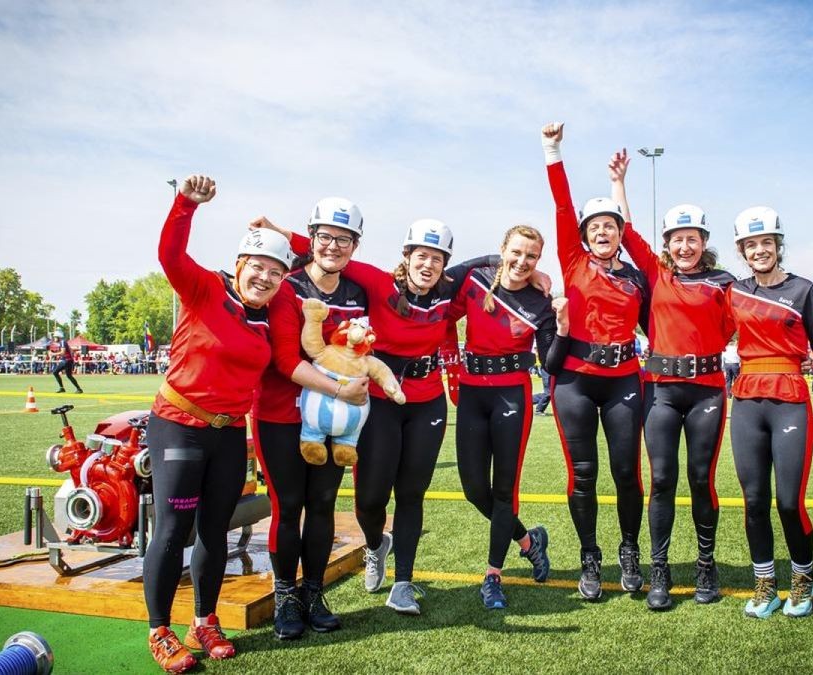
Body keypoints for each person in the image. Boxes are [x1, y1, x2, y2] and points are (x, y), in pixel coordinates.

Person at [273, 216, 488, 615]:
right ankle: (376, 545)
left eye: (437, 259)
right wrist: (280, 231)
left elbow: (484, 267)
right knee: (370, 498)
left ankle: (403, 583)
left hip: (426, 401)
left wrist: (534, 273)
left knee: (411, 493)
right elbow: (329, 250)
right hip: (377, 398)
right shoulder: (376, 281)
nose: (429, 265)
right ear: (405, 256)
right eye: (421, 255)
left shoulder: (449, 292)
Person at [143, 175, 303, 672]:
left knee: (215, 528)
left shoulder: (270, 311)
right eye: (257, 267)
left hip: (231, 433)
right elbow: (170, 255)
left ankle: (204, 620)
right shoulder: (205, 288)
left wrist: (281, 234)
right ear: (239, 264)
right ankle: (160, 630)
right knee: (173, 530)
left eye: (275, 272)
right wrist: (185, 204)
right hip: (180, 426)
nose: (265, 278)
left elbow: (319, 259)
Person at [247, 198, 377, 639]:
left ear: (355, 245)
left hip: (331, 422)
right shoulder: (287, 286)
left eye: (344, 239)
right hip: (282, 414)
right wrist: (343, 389)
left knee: (323, 505)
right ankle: (285, 595)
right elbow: (286, 360)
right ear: (311, 237)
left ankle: (313, 592)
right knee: (289, 507)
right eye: (324, 236)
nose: (333, 246)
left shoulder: (357, 293)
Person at [611, 158, 736, 610]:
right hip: (660, 392)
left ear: (704, 242)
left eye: (693, 238)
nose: (685, 246)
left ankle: (706, 564)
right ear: (667, 244)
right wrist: (619, 183)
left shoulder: (725, 282)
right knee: (662, 479)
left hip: (706, 392)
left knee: (701, 480)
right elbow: (626, 231)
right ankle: (660, 569)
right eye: (677, 239)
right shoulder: (656, 273)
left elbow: (730, 330)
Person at [542, 123, 649, 600]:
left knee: (627, 472)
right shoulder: (572, 260)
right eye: (594, 227)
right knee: (582, 473)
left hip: (626, 378)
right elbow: (563, 205)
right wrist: (553, 149)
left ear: (621, 234)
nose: (602, 232)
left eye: (611, 226)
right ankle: (590, 556)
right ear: (584, 235)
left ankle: (630, 550)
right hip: (575, 383)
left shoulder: (637, 275)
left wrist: (618, 187)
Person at [725, 206, 813, 619]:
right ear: (742, 250)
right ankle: (765, 585)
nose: (759, 251)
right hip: (747, 400)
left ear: (778, 245)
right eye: (751, 245)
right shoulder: (733, 291)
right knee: (753, 502)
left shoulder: (803, 289)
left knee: (788, 502)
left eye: (766, 243)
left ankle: (803, 580)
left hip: (790, 397)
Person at [448, 224, 555, 610]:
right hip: (473, 393)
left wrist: (563, 321)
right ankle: (529, 541)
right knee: (474, 490)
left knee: (503, 490)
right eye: (516, 252)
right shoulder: (476, 280)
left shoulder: (541, 301)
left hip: (513, 395)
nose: (523, 262)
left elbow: (551, 359)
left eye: (532, 256)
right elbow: (445, 297)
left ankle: (493, 575)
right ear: (502, 250)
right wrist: (450, 369)